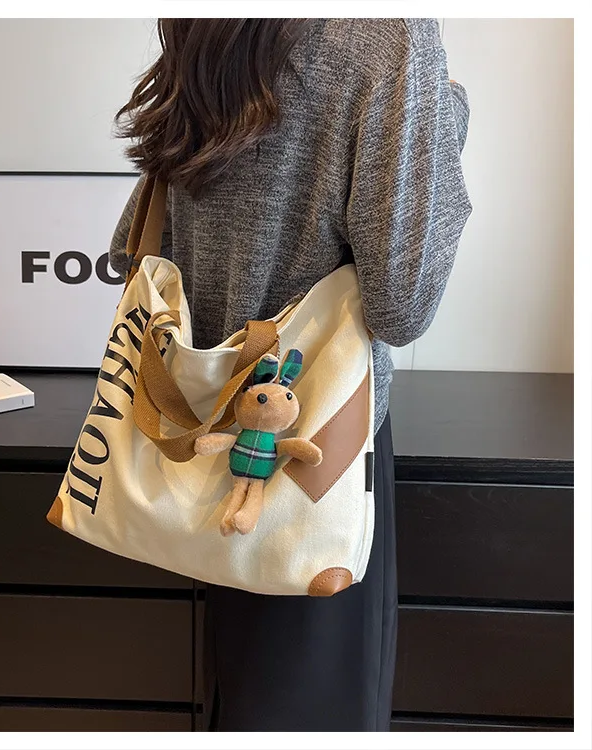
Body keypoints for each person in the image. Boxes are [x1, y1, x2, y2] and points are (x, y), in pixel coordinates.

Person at [109, 18, 471, 732]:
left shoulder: (211, 23)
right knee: (317, 711)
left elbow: (134, 249)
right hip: (318, 439)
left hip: (199, 435)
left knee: (244, 699)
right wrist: (448, 110)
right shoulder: (390, 35)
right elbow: (402, 305)